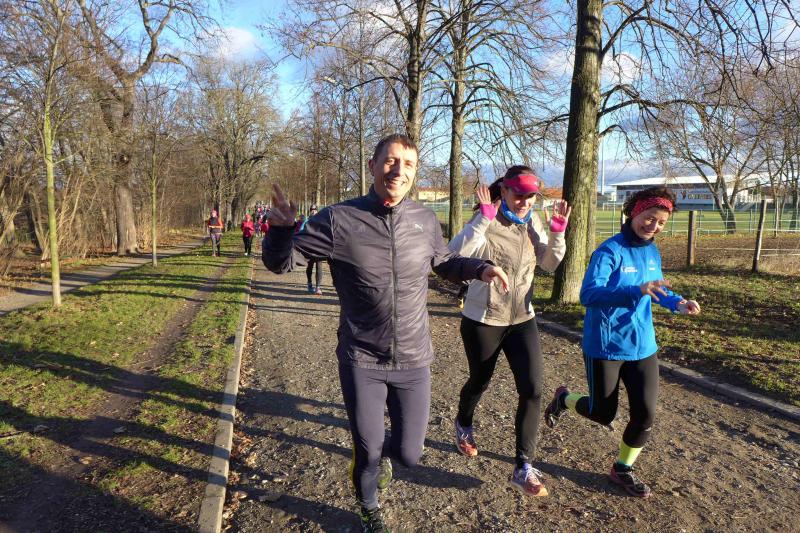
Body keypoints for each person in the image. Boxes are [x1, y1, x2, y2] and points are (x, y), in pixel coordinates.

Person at [263, 134, 509, 532]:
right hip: (362, 358)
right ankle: (369, 506)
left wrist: (480, 269)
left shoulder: (423, 220)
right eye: (391, 161)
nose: (399, 170)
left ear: (415, 172)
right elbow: (283, 263)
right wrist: (281, 230)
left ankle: (383, 462)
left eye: (408, 164)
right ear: (373, 166)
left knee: (410, 454)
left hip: (414, 357)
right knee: (368, 450)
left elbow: (444, 261)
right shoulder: (339, 218)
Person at [543, 186, 701, 498]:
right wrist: (635, 291)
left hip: (643, 346)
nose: (654, 226)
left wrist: (678, 302)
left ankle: (622, 468)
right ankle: (564, 399)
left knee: (645, 415)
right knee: (603, 413)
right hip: (606, 346)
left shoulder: (651, 251)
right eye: (649, 218)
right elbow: (589, 295)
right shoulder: (609, 251)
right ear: (635, 212)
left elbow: (656, 288)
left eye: (661, 223)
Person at [448, 167, 570, 497]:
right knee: (480, 381)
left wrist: (557, 234)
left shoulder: (533, 221)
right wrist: (483, 219)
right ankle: (464, 421)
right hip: (483, 319)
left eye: (531, 196)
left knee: (533, 389)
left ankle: (523, 467)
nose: (525, 202)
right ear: (503, 191)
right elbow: (454, 255)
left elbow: (549, 264)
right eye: (519, 194)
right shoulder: (487, 219)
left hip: (521, 319)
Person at [302, 206, 324, 295]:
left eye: (315, 210)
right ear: (310, 211)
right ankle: (309, 284)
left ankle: (318, 287)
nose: (313, 211)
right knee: (310, 266)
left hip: (319, 247)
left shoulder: (321, 221)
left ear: (317, 211)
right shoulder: (306, 221)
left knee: (319, 266)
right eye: (312, 210)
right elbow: (301, 231)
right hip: (309, 248)